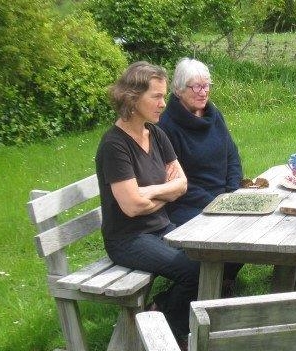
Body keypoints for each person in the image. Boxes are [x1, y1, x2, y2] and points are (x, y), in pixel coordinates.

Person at [95, 61, 199, 347]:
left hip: (160, 227)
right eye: (156, 96)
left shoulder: (156, 133)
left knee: (211, 256)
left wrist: (150, 191)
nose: (163, 104)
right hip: (128, 239)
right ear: (132, 97)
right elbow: (131, 208)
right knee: (193, 270)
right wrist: (165, 193)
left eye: (164, 96)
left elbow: (182, 185)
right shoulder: (115, 145)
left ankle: (165, 314)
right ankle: (163, 320)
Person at [157, 57, 243, 294]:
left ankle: (223, 280)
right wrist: (214, 203)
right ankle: (202, 287)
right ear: (178, 90)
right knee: (223, 234)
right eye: (196, 86)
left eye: (207, 86)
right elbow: (174, 178)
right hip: (187, 202)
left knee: (249, 227)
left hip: (223, 198)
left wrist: (232, 192)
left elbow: (232, 155)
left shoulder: (214, 116)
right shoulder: (167, 126)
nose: (203, 92)